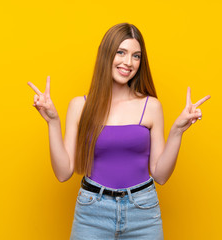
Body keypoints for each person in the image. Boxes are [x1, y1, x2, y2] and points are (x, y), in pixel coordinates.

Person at [27, 22, 211, 240]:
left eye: (136, 56)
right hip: (92, 212)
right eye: (121, 52)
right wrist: (53, 121)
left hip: (143, 212)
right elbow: (63, 172)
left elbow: (160, 175)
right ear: (106, 55)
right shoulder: (80, 106)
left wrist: (178, 131)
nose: (128, 62)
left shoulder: (151, 106)